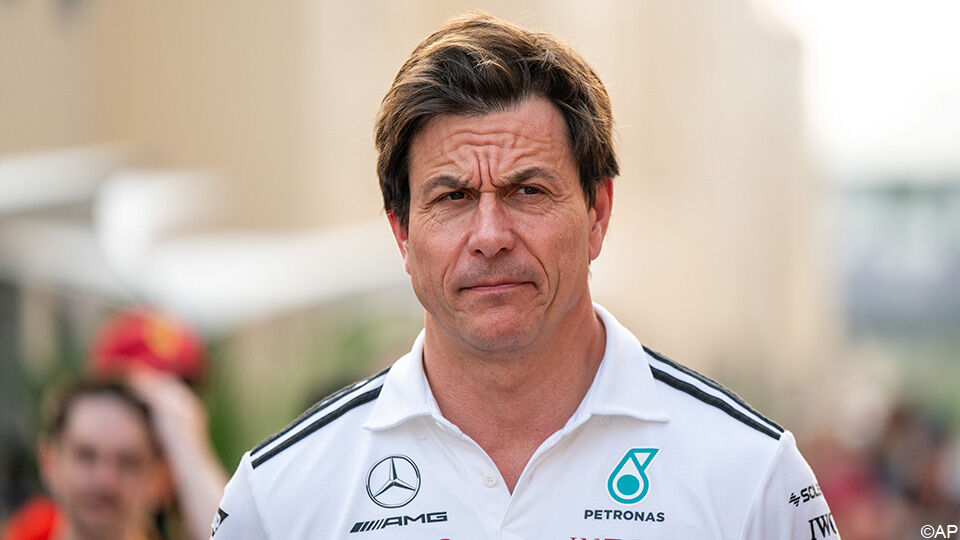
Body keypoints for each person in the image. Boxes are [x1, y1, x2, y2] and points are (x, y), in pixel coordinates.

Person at [213, 12, 838, 539]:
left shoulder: (753, 479)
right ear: (401, 232)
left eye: (528, 190)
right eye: (453, 197)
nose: (490, 236)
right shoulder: (278, 498)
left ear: (598, 213)